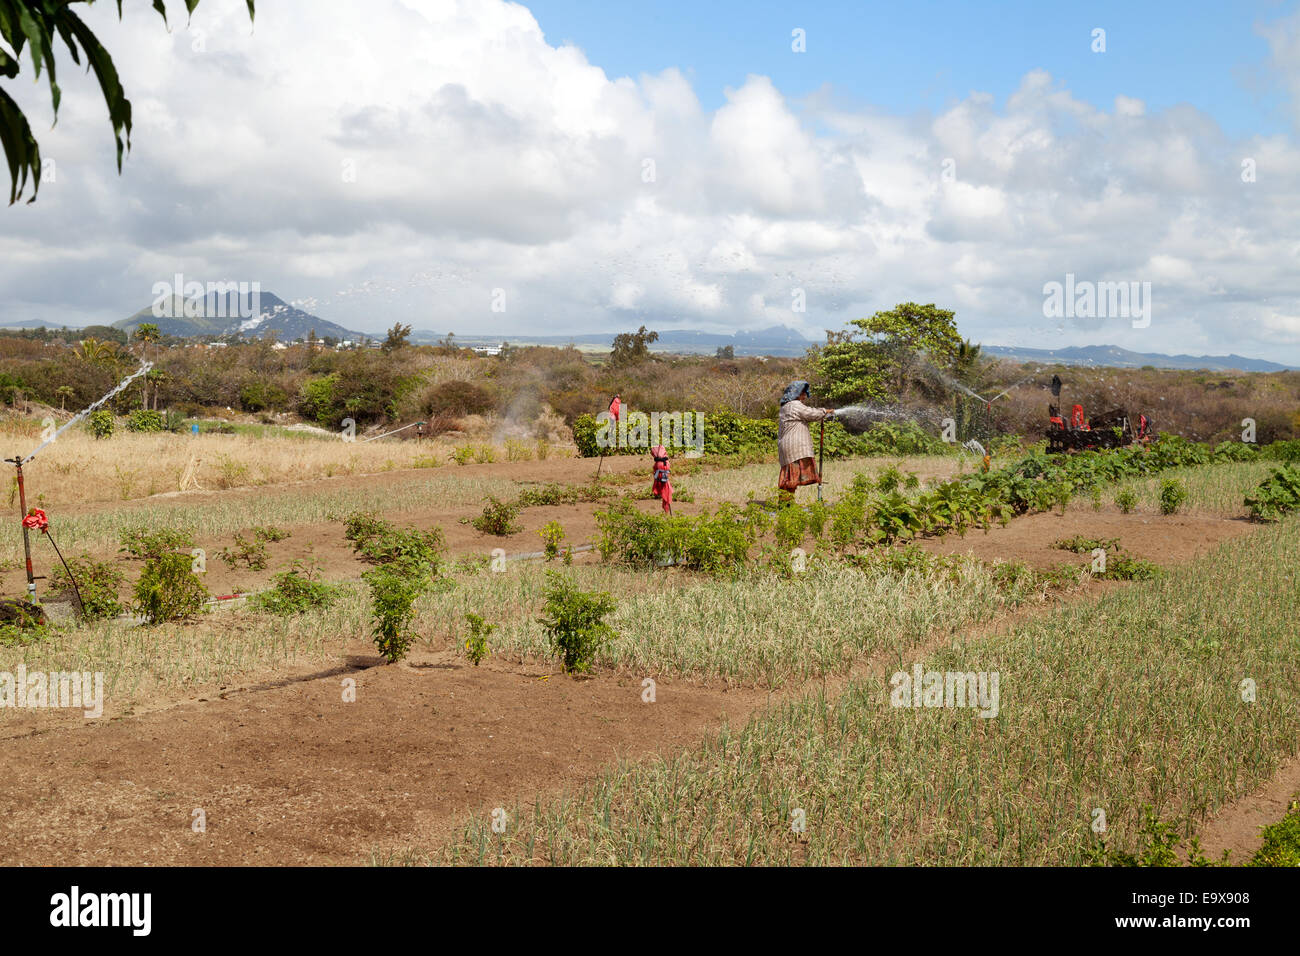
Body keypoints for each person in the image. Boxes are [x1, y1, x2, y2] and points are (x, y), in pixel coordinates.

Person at [778, 381, 833, 498]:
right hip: (794, 446)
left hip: (788, 445)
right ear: (796, 393)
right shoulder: (794, 405)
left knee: (789, 476)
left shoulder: (786, 406)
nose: (805, 395)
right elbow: (810, 414)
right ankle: (786, 506)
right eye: (803, 392)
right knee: (791, 477)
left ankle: (786, 505)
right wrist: (825, 411)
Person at [650, 444, 672, 515]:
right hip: (663, 478)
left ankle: (666, 510)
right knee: (666, 491)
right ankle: (667, 510)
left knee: (665, 491)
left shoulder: (658, 463)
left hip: (661, 478)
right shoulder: (664, 463)